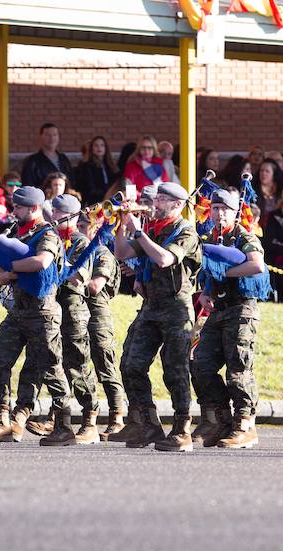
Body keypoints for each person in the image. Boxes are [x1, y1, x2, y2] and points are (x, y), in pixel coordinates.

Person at [0, 186, 77, 446]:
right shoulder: (17, 231)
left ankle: (64, 426)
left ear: (33, 209)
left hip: (42, 312)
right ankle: (3, 420)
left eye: (19, 207)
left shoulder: (48, 233)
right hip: (18, 311)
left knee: (52, 369)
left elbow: (42, 262)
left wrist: (8, 269)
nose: (14, 210)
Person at [113, 182, 201, 448]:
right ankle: (148, 424)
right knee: (131, 364)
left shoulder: (185, 231)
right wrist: (120, 226)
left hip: (176, 308)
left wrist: (138, 231)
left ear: (177, 204)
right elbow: (122, 253)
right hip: (151, 307)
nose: (155, 203)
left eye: (162, 199)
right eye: (157, 198)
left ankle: (182, 428)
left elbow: (164, 259)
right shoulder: (153, 229)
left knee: (175, 369)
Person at [184, 189, 266, 451]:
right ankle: (216, 419)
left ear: (235, 212)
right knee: (199, 362)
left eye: (225, 209)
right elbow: (209, 269)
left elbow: (256, 265)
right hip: (218, 309)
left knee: (238, 368)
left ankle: (244, 424)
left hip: (241, 308)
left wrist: (227, 273)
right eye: (216, 208)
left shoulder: (243, 236)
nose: (219, 214)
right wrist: (207, 291)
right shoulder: (210, 236)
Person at [25, 195, 100, 443]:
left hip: (73, 309)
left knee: (77, 366)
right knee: (53, 363)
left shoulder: (80, 242)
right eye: (52, 212)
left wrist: (55, 265)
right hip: (50, 308)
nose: (52, 217)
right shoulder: (50, 238)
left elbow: (80, 277)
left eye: (57, 213)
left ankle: (90, 421)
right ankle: (57, 420)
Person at [78, 211, 128, 440]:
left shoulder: (102, 254)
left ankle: (117, 416)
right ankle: (87, 417)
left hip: (97, 315)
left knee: (105, 365)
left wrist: (70, 277)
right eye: (77, 224)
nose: (78, 229)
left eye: (83, 225)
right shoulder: (76, 252)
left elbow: (96, 285)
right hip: (76, 314)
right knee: (79, 365)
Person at [21, 123, 73, 188]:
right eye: (48, 135)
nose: (52, 138)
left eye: (55, 135)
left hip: (64, 197)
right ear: (41, 136)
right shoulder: (32, 161)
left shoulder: (64, 159)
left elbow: (71, 181)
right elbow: (28, 185)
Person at [74, 135, 119, 206]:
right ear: (92, 148)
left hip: (111, 199)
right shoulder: (87, 165)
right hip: (95, 202)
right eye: (96, 145)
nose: (99, 148)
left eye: (102, 145)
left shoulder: (110, 164)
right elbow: (90, 188)